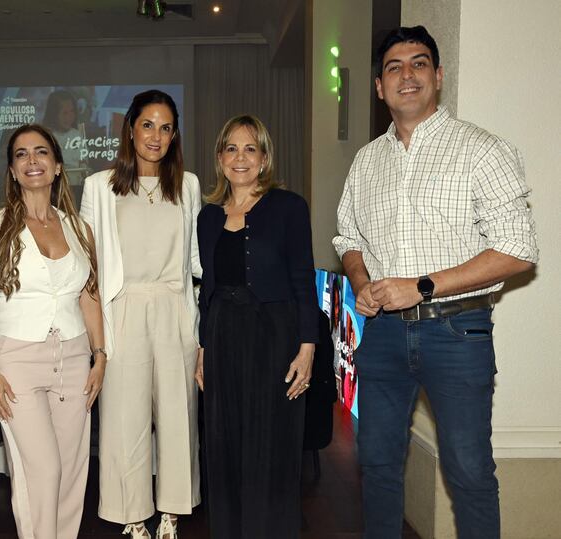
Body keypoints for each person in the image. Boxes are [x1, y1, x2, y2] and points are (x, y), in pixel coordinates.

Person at [333, 26, 539, 539]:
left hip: (458, 333)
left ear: (438, 76)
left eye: (419, 63)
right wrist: (361, 280)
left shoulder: (482, 150)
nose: (408, 75)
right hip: (380, 335)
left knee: (469, 473)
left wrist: (421, 286)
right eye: (395, 67)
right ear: (379, 86)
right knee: (377, 464)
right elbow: (347, 237)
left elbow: (517, 250)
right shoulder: (365, 162)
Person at [0, 124, 106, 539]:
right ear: (11, 170)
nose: (32, 161)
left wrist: (101, 356)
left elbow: (90, 296)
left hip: (75, 359)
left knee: (71, 469)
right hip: (17, 362)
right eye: (22, 154)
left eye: (41, 152)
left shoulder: (80, 229)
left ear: (58, 166)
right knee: (41, 470)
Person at [80, 89, 202, 539]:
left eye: (166, 127)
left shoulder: (187, 185)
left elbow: (195, 263)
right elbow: (90, 265)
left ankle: (171, 511)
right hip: (123, 308)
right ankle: (132, 516)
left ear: (174, 135)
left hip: (175, 309)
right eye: (147, 125)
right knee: (123, 420)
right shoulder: (98, 185)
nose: (156, 135)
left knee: (178, 416)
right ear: (130, 129)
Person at [195, 114, 319, 539]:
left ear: (264, 158)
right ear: (220, 159)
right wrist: (203, 348)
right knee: (224, 445)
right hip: (223, 337)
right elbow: (208, 289)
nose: (240, 157)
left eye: (250, 148)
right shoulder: (208, 217)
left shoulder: (289, 208)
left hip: (274, 338)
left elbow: (304, 278)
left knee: (272, 445)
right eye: (231, 148)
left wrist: (308, 347)